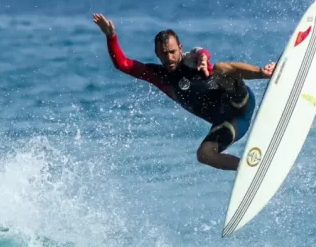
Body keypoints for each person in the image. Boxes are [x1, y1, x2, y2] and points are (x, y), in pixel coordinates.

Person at [93, 13, 275, 170]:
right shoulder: (158, 76)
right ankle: (248, 169)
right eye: (164, 53)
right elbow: (123, 64)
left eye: (172, 51)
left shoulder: (193, 60)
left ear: (180, 48)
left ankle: (264, 73)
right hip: (229, 123)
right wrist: (111, 36)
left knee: (220, 68)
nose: (169, 57)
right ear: (157, 53)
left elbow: (202, 52)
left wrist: (204, 59)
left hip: (240, 102)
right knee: (204, 154)